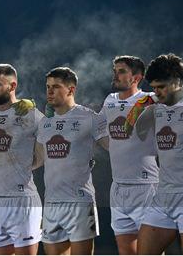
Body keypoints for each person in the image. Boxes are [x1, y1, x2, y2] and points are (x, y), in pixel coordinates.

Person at [36, 67, 107, 255]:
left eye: (56, 87)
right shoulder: (44, 122)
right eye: (48, 87)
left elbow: (113, 148)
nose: (49, 92)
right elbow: (38, 160)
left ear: (71, 90)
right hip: (52, 203)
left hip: (79, 201)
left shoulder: (88, 117)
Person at [131, 54, 183, 254]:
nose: (156, 93)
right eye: (153, 88)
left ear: (176, 82)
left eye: (161, 87)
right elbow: (130, 131)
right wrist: (139, 107)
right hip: (164, 194)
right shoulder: (155, 106)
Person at [99, 55, 159, 254]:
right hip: (118, 186)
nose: (115, 75)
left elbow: (178, 97)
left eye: (121, 71)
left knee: (151, 250)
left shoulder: (151, 99)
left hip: (145, 186)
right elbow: (96, 129)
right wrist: (115, 147)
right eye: (114, 70)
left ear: (136, 78)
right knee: (126, 251)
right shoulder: (110, 101)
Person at [0, 64, 42, 255]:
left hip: (21, 200)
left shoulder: (29, 113)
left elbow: (54, 137)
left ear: (12, 85)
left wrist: (28, 165)